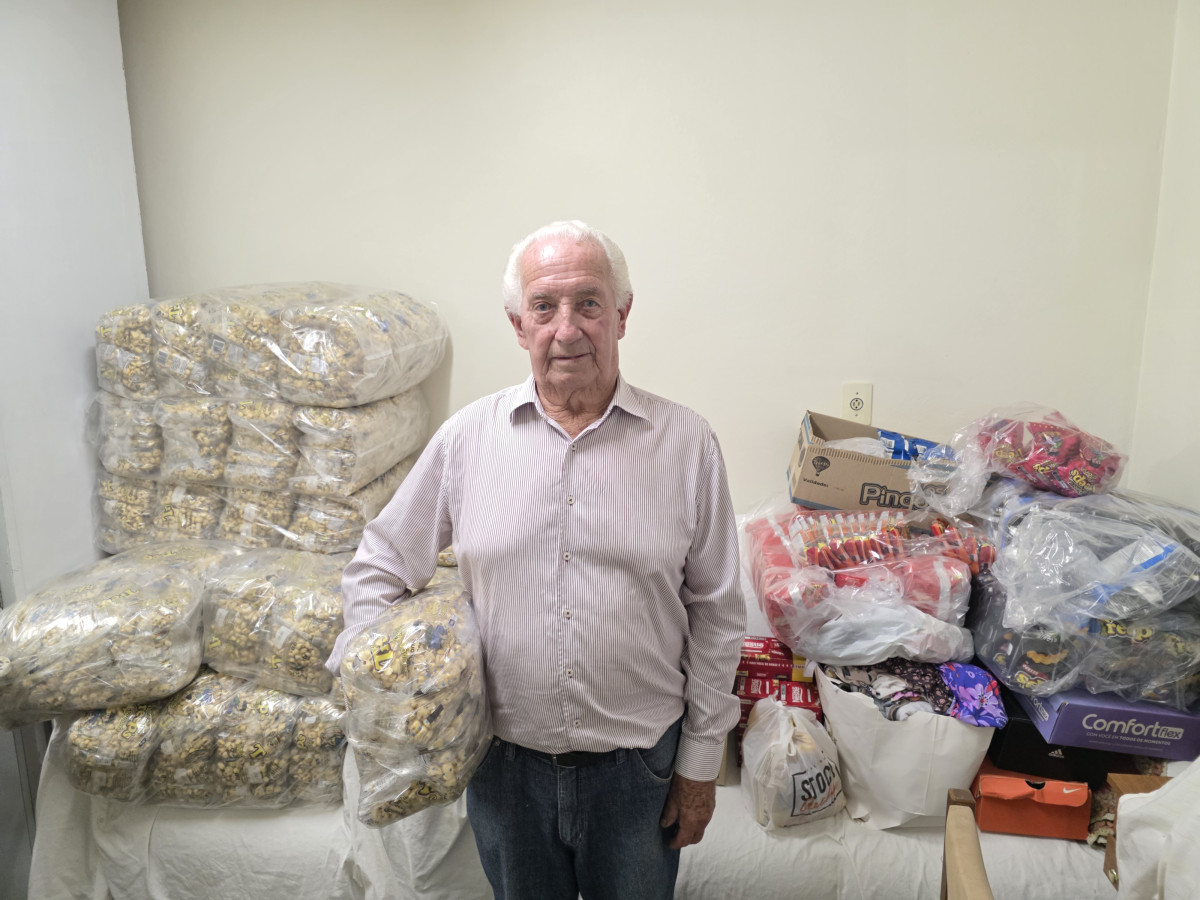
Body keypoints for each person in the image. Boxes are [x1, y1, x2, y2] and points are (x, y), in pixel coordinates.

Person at [327, 220, 745, 899]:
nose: (567, 328)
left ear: (622, 315)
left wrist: (701, 764)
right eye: (544, 307)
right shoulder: (468, 440)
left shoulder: (688, 444)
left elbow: (718, 612)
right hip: (505, 773)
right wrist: (377, 679)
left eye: (589, 303)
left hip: (639, 771)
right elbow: (380, 561)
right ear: (519, 325)